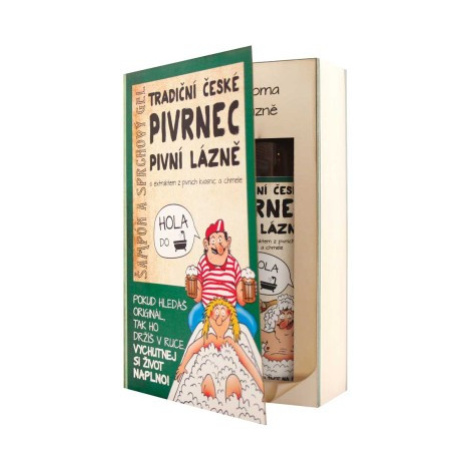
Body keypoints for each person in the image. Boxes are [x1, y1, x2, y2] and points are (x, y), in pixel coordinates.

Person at [175, 298, 264, 399]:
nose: (219, 321)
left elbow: (248, 364)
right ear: (209, 318)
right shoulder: (208, 338)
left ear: (230, 319)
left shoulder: (231, 342)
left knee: (232, 380)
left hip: (230, 375)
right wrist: (182, 366)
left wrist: (261, 386)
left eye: (223, 316)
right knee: (208, 381)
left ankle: (230, 402)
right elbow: (191, 349)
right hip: (208, 376)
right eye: (216, 315)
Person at [185, 219, 257, 335]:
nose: (217, 244)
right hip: (207, 309)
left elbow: (241, 300)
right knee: (193, 319)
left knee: (251, 325)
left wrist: (247, 288)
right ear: (206, 244)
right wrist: (192, 284)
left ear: (228, 242)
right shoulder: (203, 262)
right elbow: (198, 297)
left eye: (220, 239)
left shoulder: (233, 263)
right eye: (213, 240)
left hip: (230, 309)